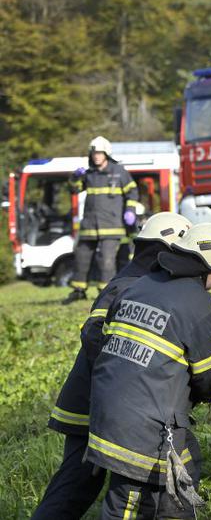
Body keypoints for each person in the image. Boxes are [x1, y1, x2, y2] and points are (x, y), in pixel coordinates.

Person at [32, 213, 191, 520]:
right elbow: (93, 333)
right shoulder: (128, 285)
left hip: (102, 401)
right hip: (94, 404)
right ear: (165, 251)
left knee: (80, 484)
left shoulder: (142, 280)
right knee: (75, 486)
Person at [84, 222, 211, 519]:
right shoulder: (200, 304)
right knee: (126, 506)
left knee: (184, 466)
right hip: (142, 429)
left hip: (109, 412)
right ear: (207, 263)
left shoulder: (140, 284)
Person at [64, 136, 142, 304]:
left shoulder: (119, 172)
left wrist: (130, 211)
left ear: (106, 154)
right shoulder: (89, 174)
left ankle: (106, 293)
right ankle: (78, 290)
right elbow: (73, 190)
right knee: (81, 257)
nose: (96, 156)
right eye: (93, 153)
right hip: (90, 225)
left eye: (99, 153)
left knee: (106, 261)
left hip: (112, 226)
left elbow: (133, 192)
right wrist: (75, 178)